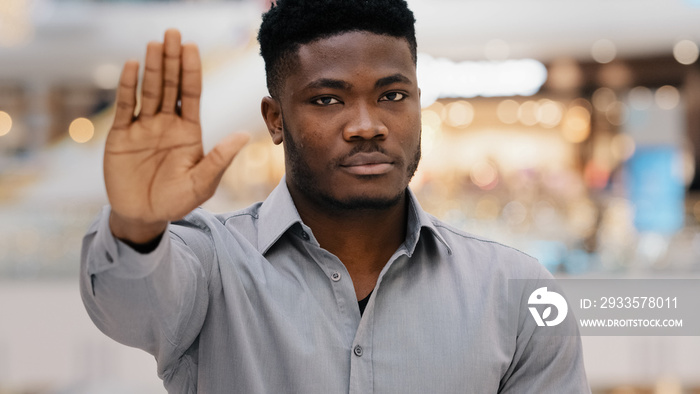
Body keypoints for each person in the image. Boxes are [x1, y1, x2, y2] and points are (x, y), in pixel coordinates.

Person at [80, 0, 590, 392]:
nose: (367, 126)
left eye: (392, 96)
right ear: (275, 119)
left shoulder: (518, 290)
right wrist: (136, 227)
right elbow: (130, 305)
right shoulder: (211, 265)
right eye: (328, 99)